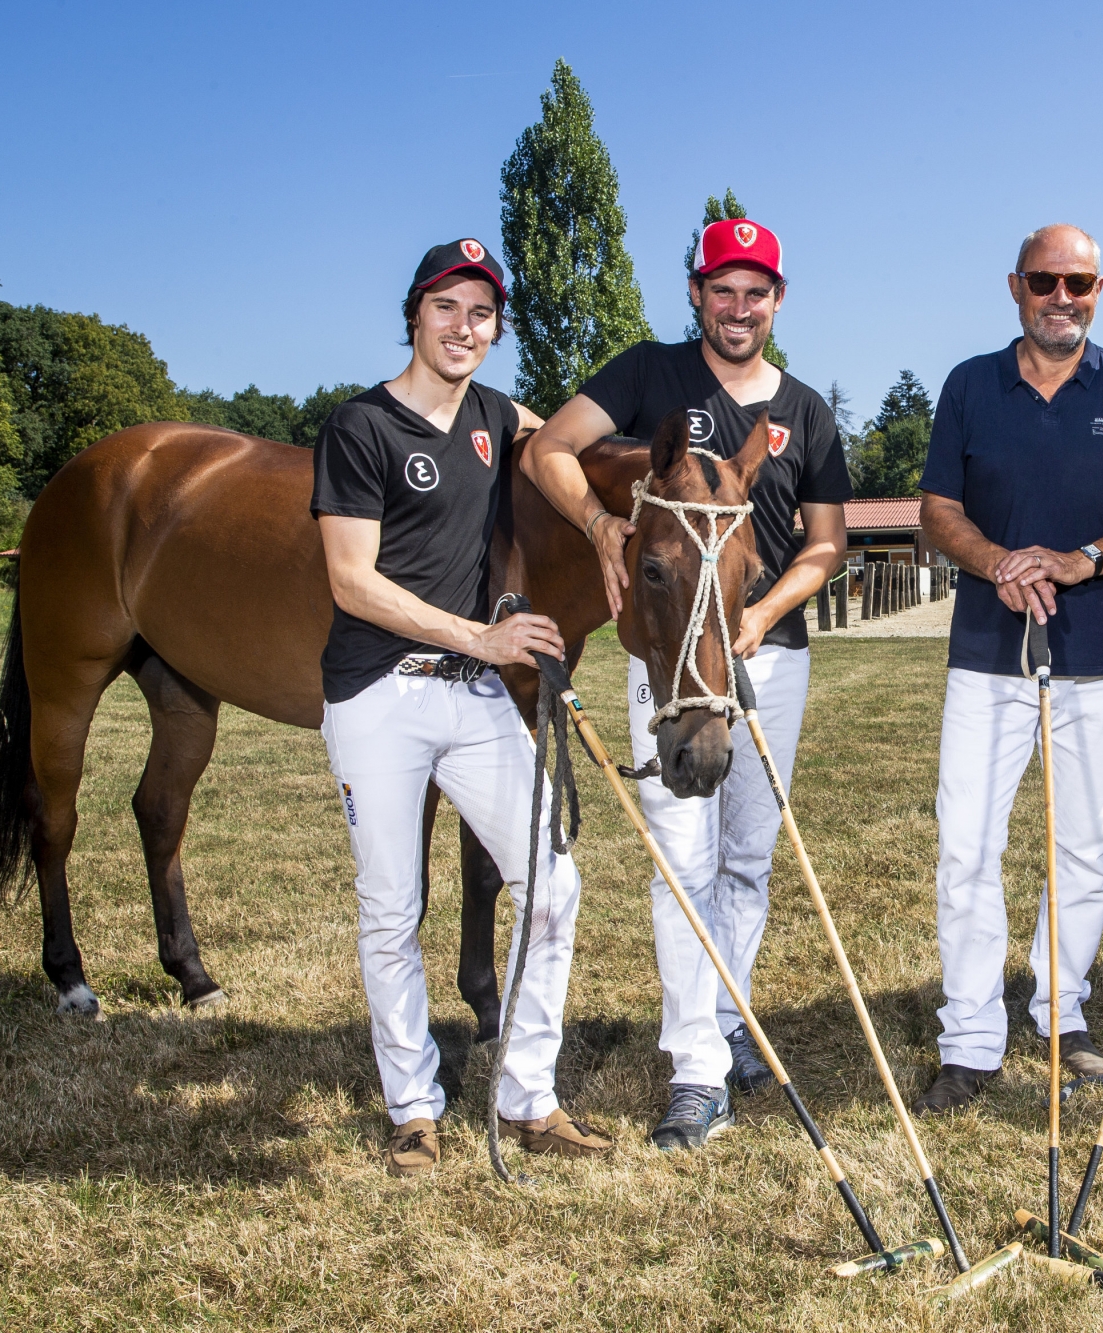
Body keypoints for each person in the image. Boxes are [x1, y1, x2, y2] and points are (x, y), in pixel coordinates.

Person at [523, 218, 851, 1151]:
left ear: (777, 302)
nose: (738, 307)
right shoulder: (646, 374)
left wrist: (760, 614)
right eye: (722, 289)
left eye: (756, 292)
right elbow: (547, 448)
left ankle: (726, 1015)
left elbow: (824, 543)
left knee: (748, 858)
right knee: (682, 860)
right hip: (664, 661)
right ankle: (696, 1067)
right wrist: (598, 525)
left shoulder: (808, 411)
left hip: (768, 654)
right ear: (697, 294)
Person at [314, 239, 606, 1176]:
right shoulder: (358, 428)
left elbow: (570, 445)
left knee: (552, 887)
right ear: (414, 314)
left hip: (473, 696)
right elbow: (352, 581)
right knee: (392, 910)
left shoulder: (495, 414)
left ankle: (527, 1094)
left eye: (481, 314)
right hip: (376, 691)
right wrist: (478, 636)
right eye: (447, 307)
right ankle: (413, 1108)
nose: (463, 327)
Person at [911, 223, 1103, 1114]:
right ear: (1015, 285)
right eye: (1045, 281)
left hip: (1099, 649)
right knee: (968, 844)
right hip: (988, 651)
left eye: (1081, 284)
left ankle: (1063, 1010)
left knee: (1084, 845)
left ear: (1100, 293)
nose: (1063, 298)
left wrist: (1081, 560)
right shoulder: (970, 385)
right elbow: (937, 510)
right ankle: (971, 1037)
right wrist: (1000, 562)